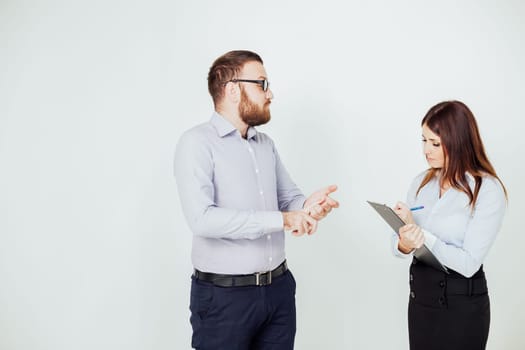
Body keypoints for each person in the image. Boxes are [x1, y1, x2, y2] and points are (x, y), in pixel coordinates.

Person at [174, 50, 339, 350]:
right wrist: (283, 220)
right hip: (224, 299)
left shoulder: (265, 144)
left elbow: (288, 196)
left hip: (278, 291)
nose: (270, 93)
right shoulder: (196, 143)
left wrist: (306, 208)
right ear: (233, 89)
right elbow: (202, 219)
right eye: (262, 83)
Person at [391, 100, 507, 350]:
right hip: (421, 300)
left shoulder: (486, 189)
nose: (426, 150)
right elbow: (401, 246)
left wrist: (422, 236)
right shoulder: (421, 183)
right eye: (423, 140)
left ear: (458, 141)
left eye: (435, 143)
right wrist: (403, 240)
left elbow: (468, 264)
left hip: (461, 307)